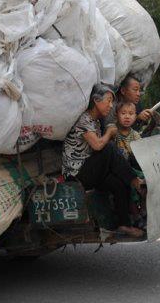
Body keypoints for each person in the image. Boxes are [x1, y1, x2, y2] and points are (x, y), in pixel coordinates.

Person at [61, 83, 144, 238]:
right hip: (76, 174)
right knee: (109, 147)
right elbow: (98, 145)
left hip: (90, 170)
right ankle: (136, 182)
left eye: (112, 101)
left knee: (119, 183)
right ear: (96, 101)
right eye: (108, 101)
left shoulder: (97, 122)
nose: (110, 105)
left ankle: (124, 225)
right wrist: (109, 133)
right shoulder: (84, 119)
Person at [114, 101, 147, 228]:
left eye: (131, 114)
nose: (127, 117)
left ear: (135, 116)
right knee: (132, 186)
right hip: (120, 169)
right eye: (123, 113)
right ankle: (135, 215)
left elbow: (142, 152)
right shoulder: (114, 132)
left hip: (133, 167)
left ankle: (144, 211)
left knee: (147, 180)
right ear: (117, 115)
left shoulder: (135, 135)